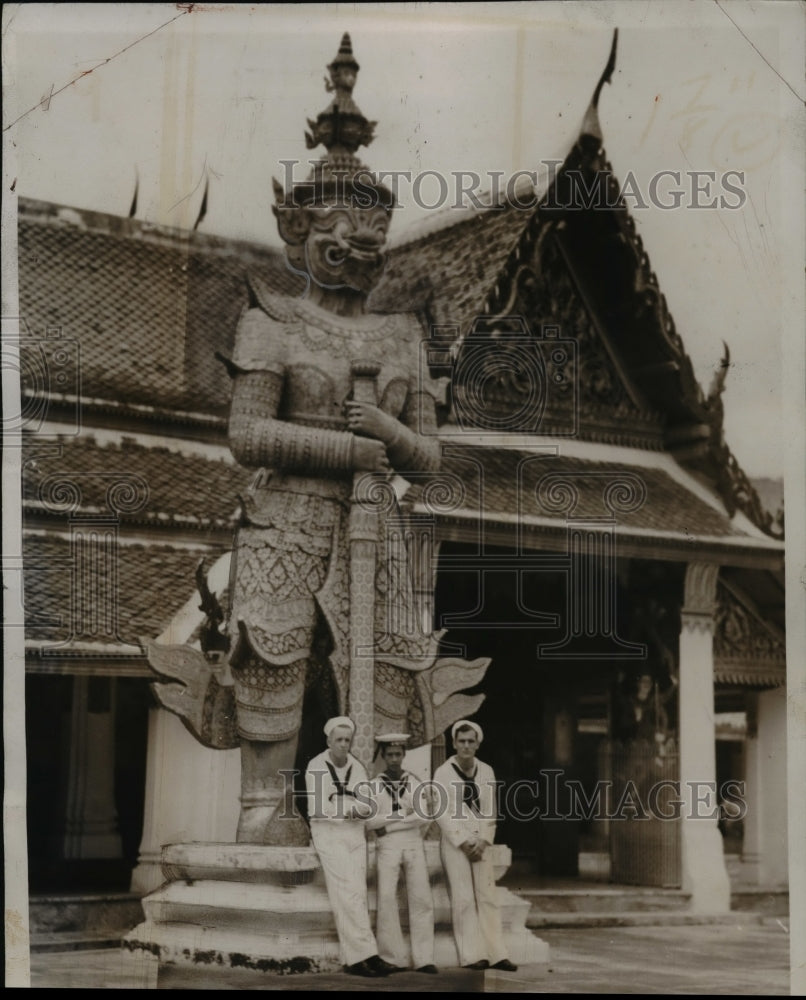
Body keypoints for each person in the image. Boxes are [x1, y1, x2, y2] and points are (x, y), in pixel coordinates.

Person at [221, 33, 443, 844]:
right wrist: (341, 450)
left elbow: (430, 455)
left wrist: (385, 430)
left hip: (376, 521)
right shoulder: (270, 321)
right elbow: (245, 433)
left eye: (370, 240)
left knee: (382, 666)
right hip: (288, 515)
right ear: (299, 234)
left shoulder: (402, 337)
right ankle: (264, 813)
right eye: (336, 238)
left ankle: (377, 815)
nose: (356, 252)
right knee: (273, 654)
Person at [304, 717, 402, 978]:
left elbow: (368, 803)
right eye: (339, 740)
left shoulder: (356, 767)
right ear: (329, 741)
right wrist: (349, 809)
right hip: (328, 834)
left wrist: (359, 809)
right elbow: (317, 808)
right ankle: (361, 957)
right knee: (345, 894)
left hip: (354, 834)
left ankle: (363, 956)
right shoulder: (316, 766)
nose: (344, 745)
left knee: (357, 892)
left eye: (347, 740)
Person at [433, 720, 517, 972]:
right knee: (464, 899)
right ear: (454, 743)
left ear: (478, 743)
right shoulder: (443, 772)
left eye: (471, 741)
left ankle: (497, 953)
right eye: (462, 741)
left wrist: (483, 840)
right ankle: (472, 955)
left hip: (480, 843)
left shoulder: (486, 771)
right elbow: (442, 811)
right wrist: (463, 840)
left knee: (487, 896)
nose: (466, 746)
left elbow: (490, 810)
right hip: (456, 843)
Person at [366, 733, 438, 975]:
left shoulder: (414, 783)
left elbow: (423, 816)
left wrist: (391, 822)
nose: (394, 759)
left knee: (421, 898)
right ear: (384, 757)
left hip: (412, 844)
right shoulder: (375, 785)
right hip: (387, 845)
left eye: (398, 754)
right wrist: (402, 815)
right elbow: (370, 822)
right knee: (386, 898)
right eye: (390, 755)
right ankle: (391, 957)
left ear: (404, 755)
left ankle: (424, 958)